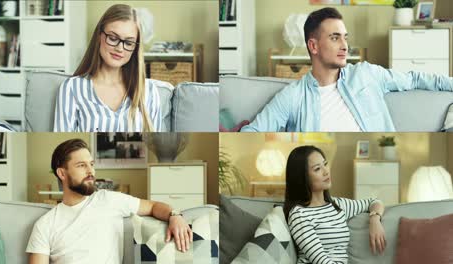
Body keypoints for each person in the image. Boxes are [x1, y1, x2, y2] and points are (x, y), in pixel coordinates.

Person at [241, 7, 453, 132]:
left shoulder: (366, 73)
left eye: (345, 37)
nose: (345, 45)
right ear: (313, 46)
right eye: (335, 38)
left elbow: (415, 79)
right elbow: (252, 131)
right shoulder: (293, 96)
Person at [26, 139, 191, 263]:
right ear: (62, 174)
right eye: (81, 165)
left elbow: (153, 206)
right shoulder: (45, 225)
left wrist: (175, 215)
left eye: (91, 164)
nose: (91, 171)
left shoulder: (109, 200)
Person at [54, 4, 162, 132]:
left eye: (128, 42)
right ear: (99, 36)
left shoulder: (149, 92)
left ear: (135, 47)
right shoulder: (72, 88)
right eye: (113, 38)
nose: (119, 48)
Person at [284, 145, 386, 264]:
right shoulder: (299, 215)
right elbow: (322, 261)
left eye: (325, 164)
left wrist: (375, 219)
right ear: (302, 177)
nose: (326, 171)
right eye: (317, 169)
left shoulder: (337, 205)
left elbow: (374, 202)